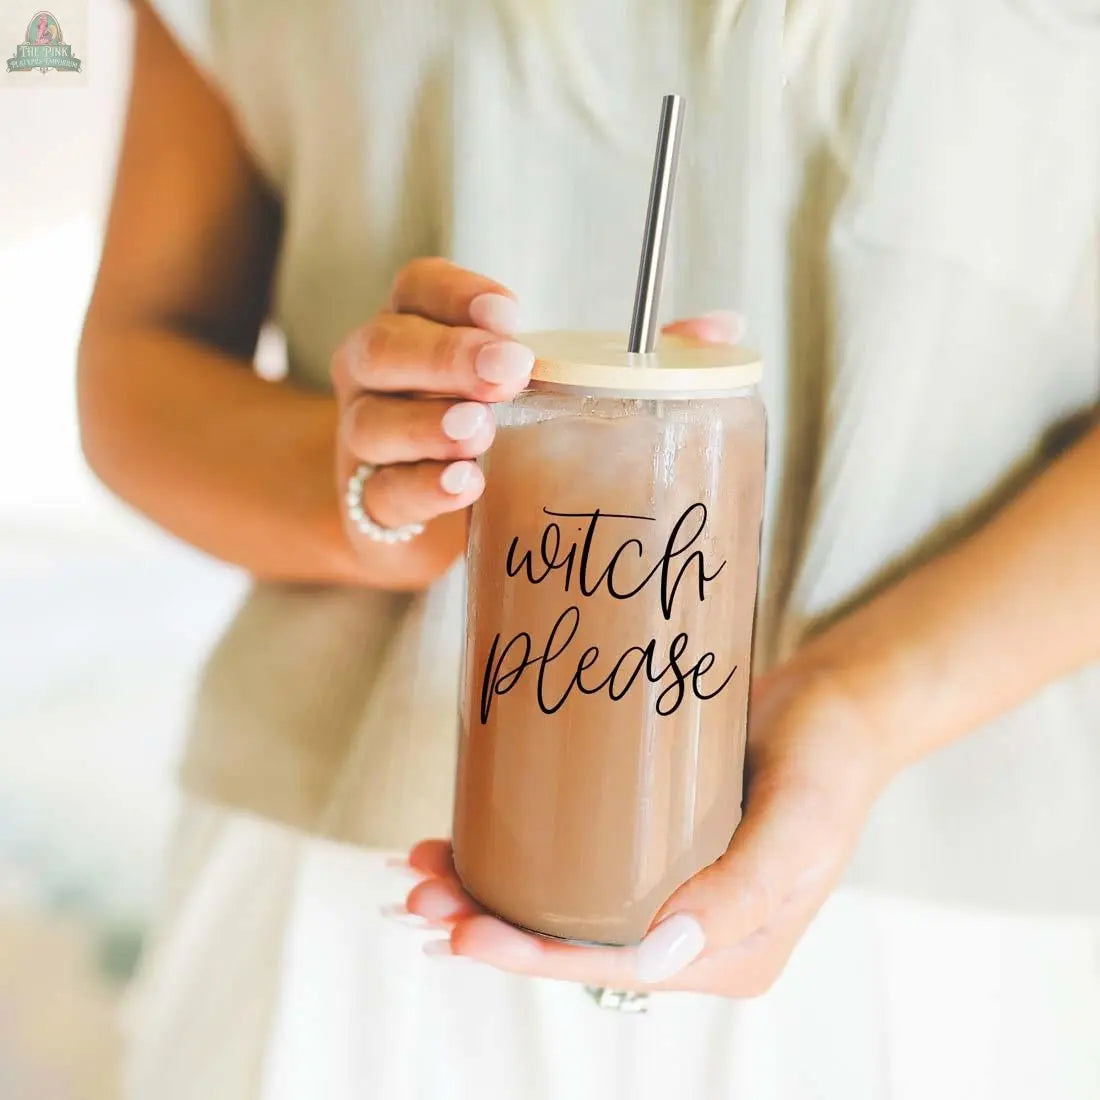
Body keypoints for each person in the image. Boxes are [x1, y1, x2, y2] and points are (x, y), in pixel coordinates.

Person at [78, 0, 1100, 1097]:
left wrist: (858, 702)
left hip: (921, 913)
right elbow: (140, 359)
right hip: (342, 891)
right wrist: (386, 486)